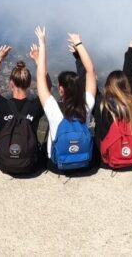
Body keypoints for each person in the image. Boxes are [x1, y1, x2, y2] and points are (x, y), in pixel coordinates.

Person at [32, 27, 97, 170]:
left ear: (60, 89)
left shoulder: (53, 109)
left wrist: (42, 44)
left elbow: (41, 75)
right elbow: (90, 71)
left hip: (57, 165)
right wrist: (78, 43)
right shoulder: (86, 105)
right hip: (84, 161)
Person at [0, 45, 46, 173]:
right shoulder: (37, 105)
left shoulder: (1, 104)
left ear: (10, 83)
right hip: (30, 165)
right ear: (30, 84)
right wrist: (38, 60)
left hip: (4, 164)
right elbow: (47, 86)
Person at [89, 30, 132, 168]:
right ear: (127, 86)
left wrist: (77, 54)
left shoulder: (101, 105)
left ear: (107, 86)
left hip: (106, 161)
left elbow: (88, 75)